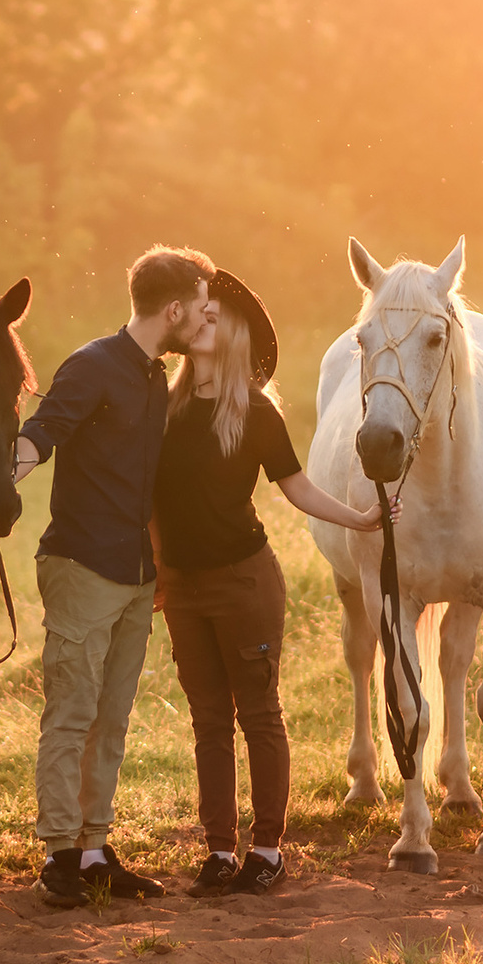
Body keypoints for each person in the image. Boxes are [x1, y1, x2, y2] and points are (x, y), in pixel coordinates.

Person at [154, 269, 389, 896]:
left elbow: (299, 488)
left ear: (233, 334)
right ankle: (218, 851)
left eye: (213, 315)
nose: (202, 320)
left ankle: (266, 849)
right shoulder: (163, 403)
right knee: (208, 720)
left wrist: (361, 517)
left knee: (257, 714)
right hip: (183, 585)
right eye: (198, 313)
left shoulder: (255, 412)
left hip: (244, 582)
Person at [12, 245, 214, 908]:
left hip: (133, 573)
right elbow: (42, 434)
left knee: (112, 718)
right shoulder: (92, 365)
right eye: (201, 308)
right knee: (71, 715)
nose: (203, 320)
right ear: (175, 307)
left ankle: (95, 849)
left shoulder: (156, 378)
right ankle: (59, 856)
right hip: (80, 565)